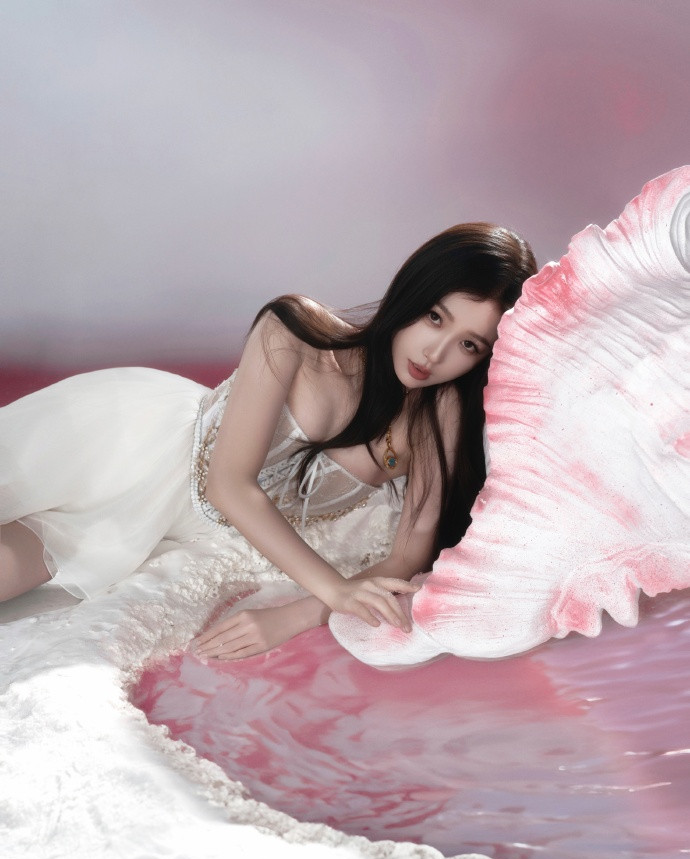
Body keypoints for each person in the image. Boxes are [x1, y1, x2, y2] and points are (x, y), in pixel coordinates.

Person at [0, 223, 536, 658]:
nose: (435, 354)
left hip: (175, 534)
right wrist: (335, 589)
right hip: (133, 449)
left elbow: (408, 555)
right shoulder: (295, 333)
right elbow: (229, 485)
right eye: (434, 317)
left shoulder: (438, 417)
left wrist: (295, 615)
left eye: (468, 344)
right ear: (411, 292)